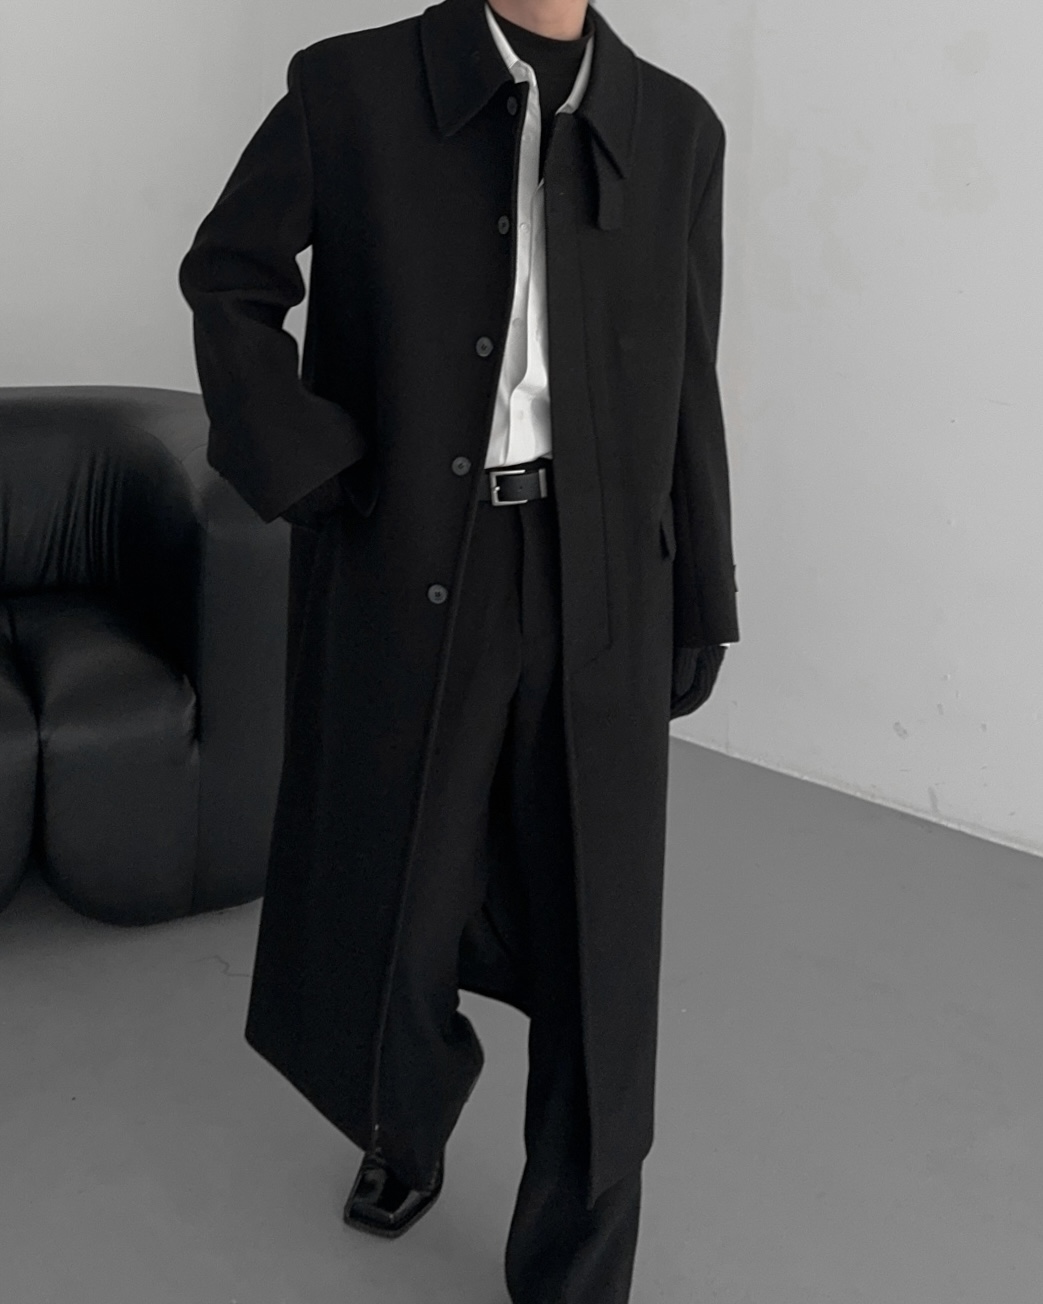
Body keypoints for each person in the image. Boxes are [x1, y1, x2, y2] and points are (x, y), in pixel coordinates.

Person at [178, 1, 739, 1300]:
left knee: (602, 949)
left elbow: (691, 373)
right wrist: (312, 465)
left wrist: (703, 589)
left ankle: (575, 1275)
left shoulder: (678, 131)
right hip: (417, 559)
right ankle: (407, 1115)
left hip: (608, 583)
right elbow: (229, 275)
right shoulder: (351, 88)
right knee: (395, 892)